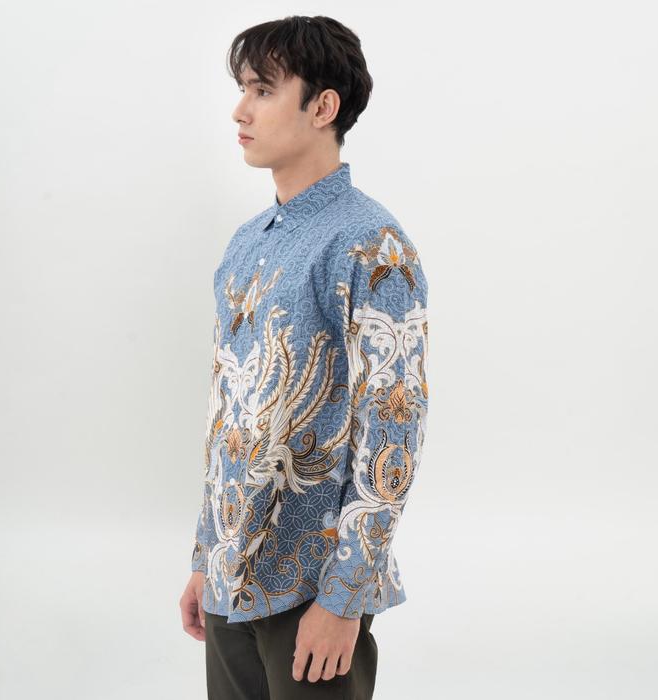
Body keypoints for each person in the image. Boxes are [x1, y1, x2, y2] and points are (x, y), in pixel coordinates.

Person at [180, 15, 429, 699]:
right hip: (231, 575)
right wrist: (205, 555)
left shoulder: (372, 245)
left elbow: (394, 428)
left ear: (323, 107)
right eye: (242, 89)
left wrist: (345, 598)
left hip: (313, 587)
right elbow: (228, 412)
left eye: (263, 90)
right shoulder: (247, 242)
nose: (240, 110)